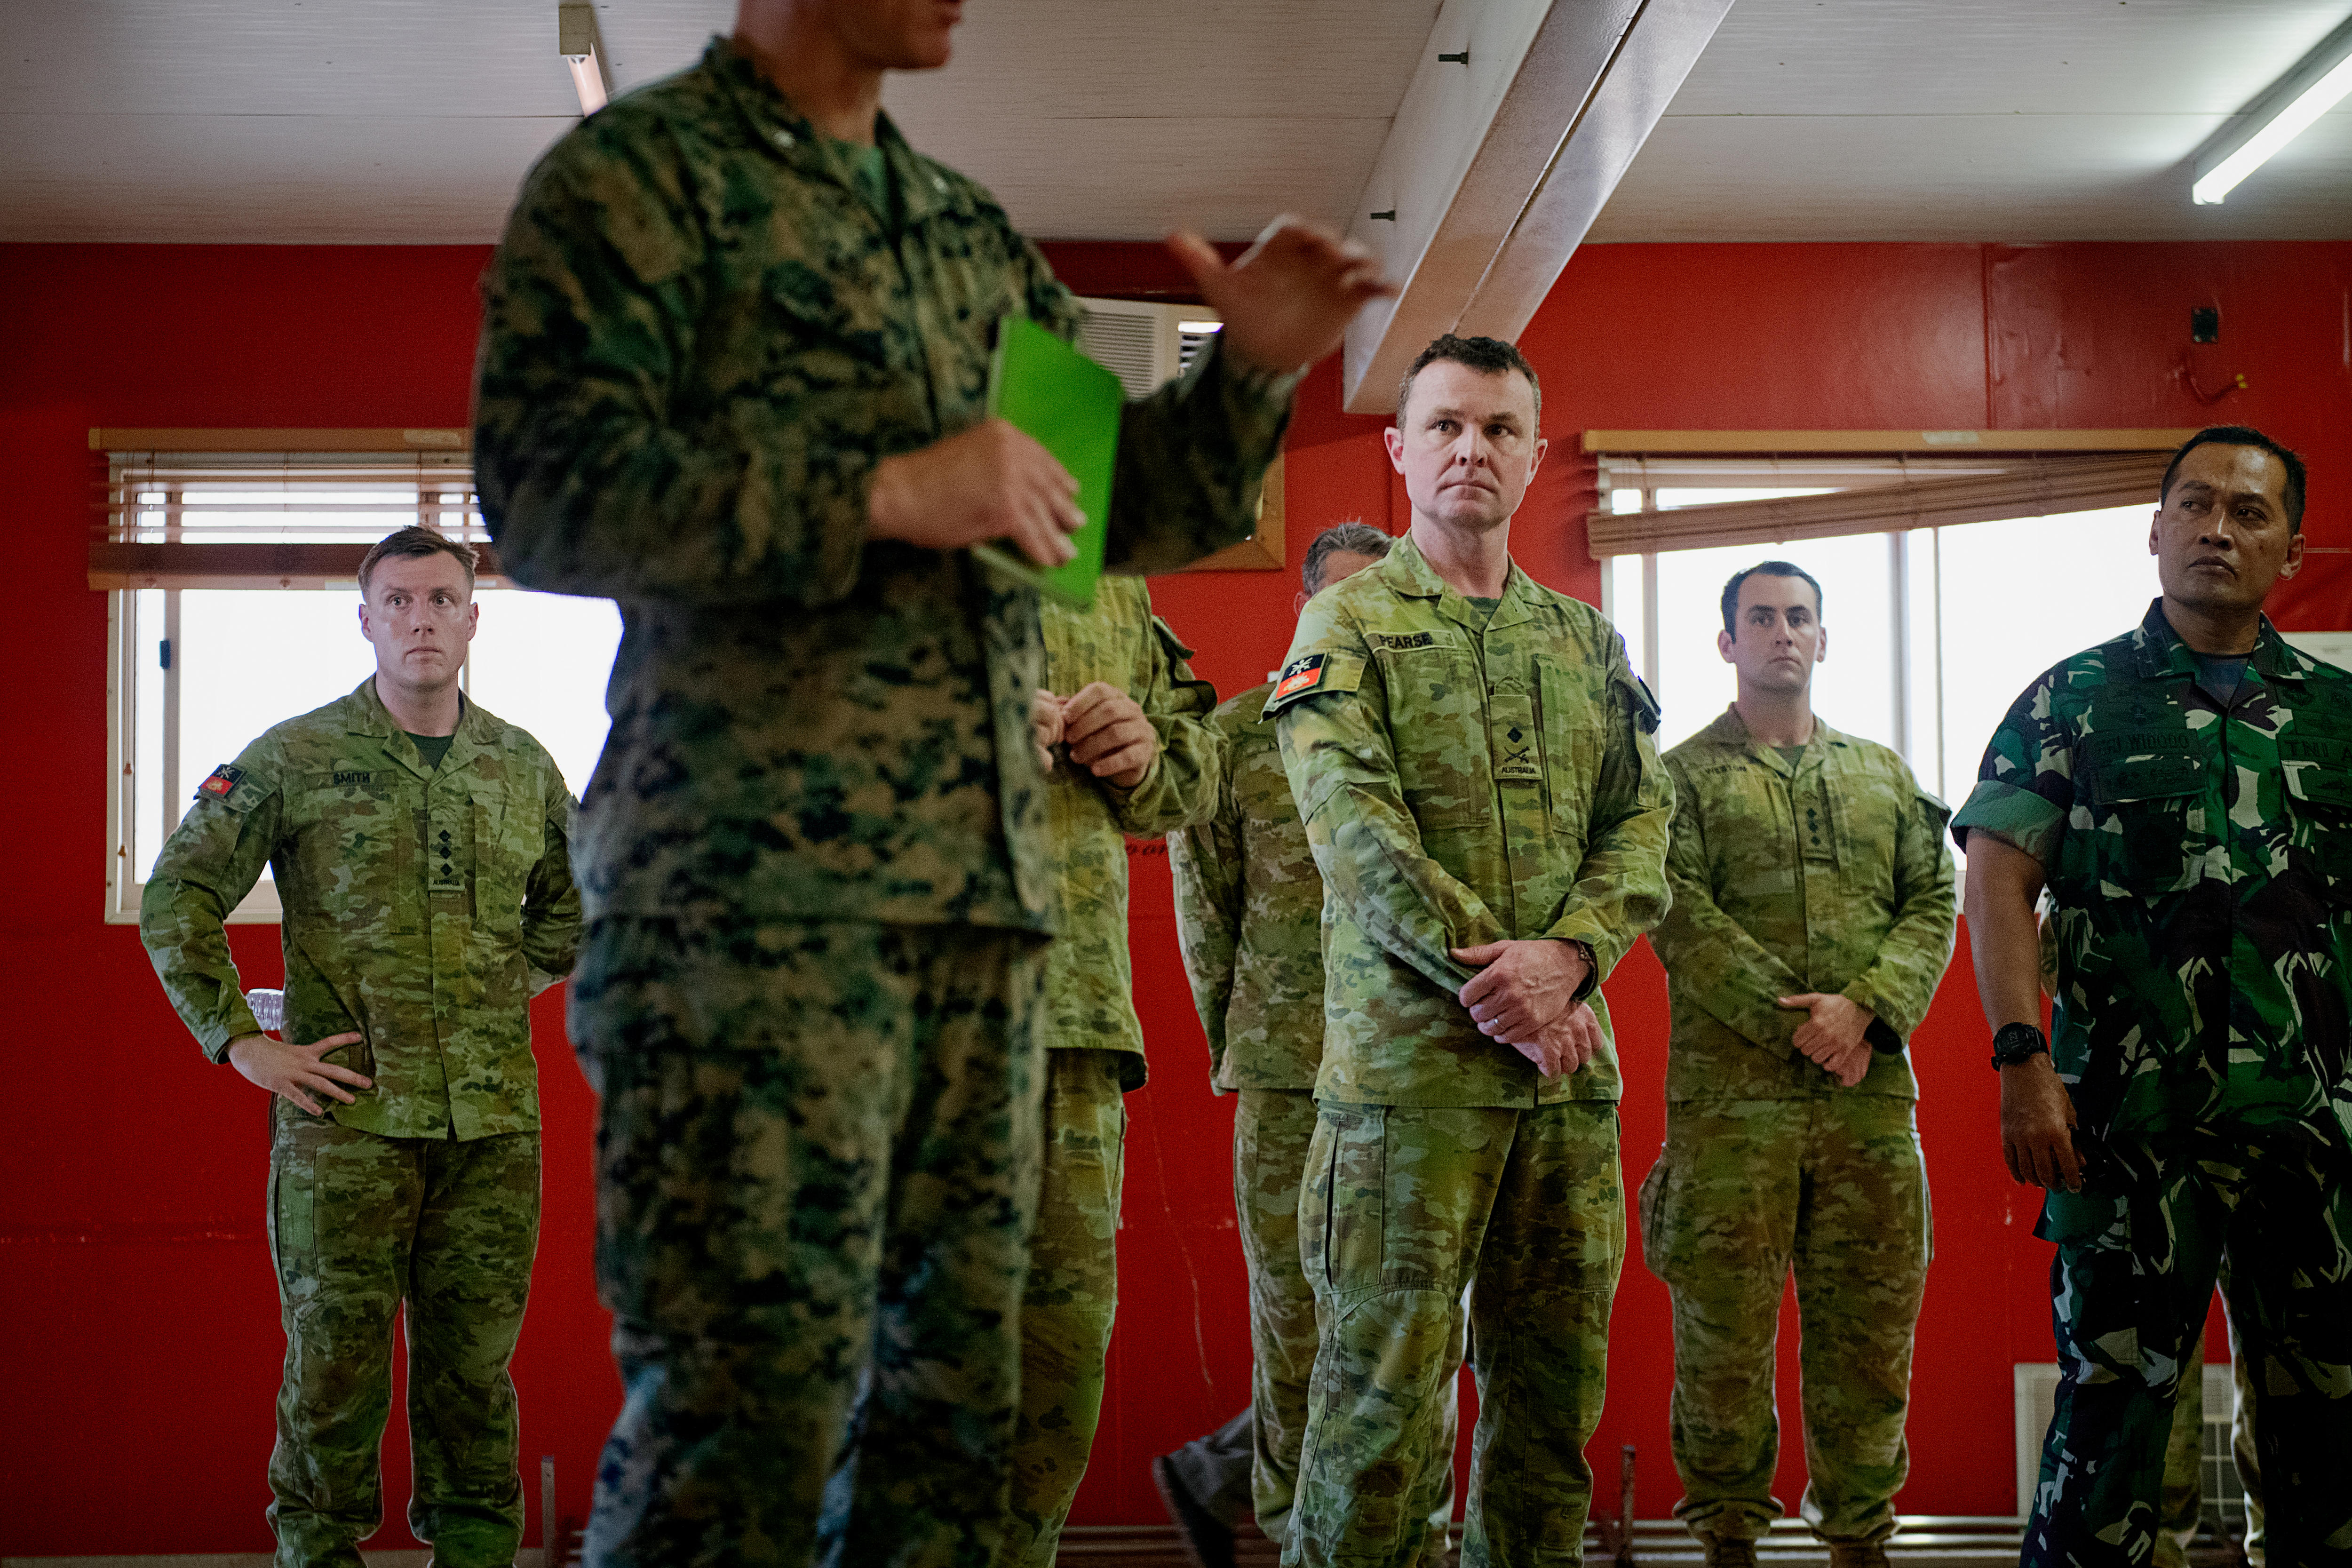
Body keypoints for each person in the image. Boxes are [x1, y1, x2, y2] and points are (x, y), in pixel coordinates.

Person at [469, 0, 1392, 1561]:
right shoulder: (637, 182)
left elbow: (1099, 501)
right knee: (738, 1429)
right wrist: (884, 493)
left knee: (958, 1432)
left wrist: (1250, 370)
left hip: (986, 927)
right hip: (749, 914)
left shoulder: (959, 235)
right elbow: (545, 490)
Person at [1267, 334, 1674, 1567]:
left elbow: (1644, 821)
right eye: (1445, 424)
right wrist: (1514, 986)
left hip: (1563, 1097)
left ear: (1534, 453)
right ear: (1399, 449)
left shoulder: (1586, 641)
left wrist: (1575, 957)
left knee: (1551, 1420)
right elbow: (1358, 838)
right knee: (1378, 1423)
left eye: (1499, 428)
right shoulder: (1347, 620)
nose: (1471, 449)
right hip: (1407, 1095)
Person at [140, 526, 581, 1568]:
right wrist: (240, 1040)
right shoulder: (295, 755)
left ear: (473, 618)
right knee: (335, 1368)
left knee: (472, 1373)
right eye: (399, 602)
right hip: (346, 1124)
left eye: (441, 600)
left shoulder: (521, 764)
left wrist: (486, 989)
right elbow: (178, 892)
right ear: (367, 618)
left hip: (490, 1129)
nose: (420, 619)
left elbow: (571, 909)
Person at [1955, 425, 2352, 1567]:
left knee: (2329, 1425)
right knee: (2111, 1420)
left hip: (2313, 1135)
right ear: (2153, 529)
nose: (2214, 528)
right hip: (2129, 1131)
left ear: (2292, 544)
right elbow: (1997, 880)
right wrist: (2022, 1060)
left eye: (2247, 510)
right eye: (2192, 504)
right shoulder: (2071, 699)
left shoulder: (2334, 718)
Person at [1158, 522, 1469, 1568]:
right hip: (1290, 1074)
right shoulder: (1237, 739)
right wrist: (1240, 1043)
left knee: (1418, 1332)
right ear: (1305, 611)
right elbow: (1207, 916)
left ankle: (1416, 1542)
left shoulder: (1433, 740)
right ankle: (1295, 1533)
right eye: (1340, 599)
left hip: (1416, 1071)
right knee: (1296, 1328)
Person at [1639, 561, 1956, 1568]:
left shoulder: (1883, 775)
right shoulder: (1675, 781)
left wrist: (1867, 1008)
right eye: (1761, 618)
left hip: (1868, 1106)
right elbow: (1675, 910)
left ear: (1823, 639)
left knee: (1867, 1340)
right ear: (1727, 642)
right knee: (1722, 1344)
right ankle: (1727, 1535)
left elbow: (1933, 900)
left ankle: (1859, 1538)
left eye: (1800, 617)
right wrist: (1805, 1026)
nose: (1783, 633)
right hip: (1730, 1116)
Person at [1002, 578, 1224, 1563]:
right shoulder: (868, 531)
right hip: (892, 1027)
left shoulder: (1112, 581)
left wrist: (1146, 750)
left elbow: (1194, 767)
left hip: (1074, 1016)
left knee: (1057, 1368)